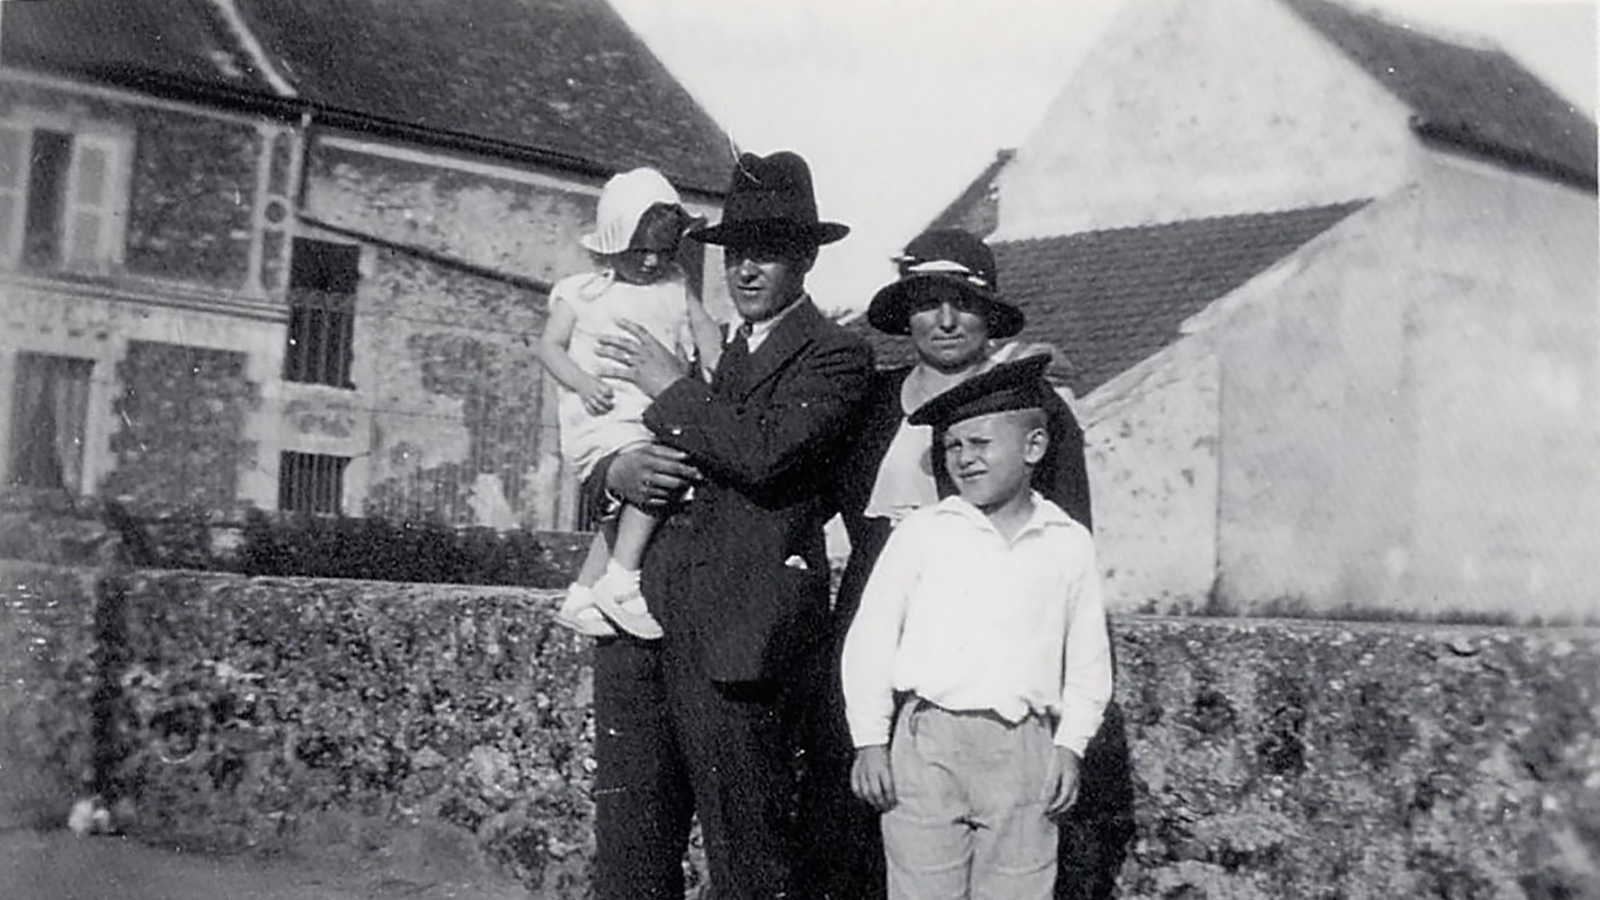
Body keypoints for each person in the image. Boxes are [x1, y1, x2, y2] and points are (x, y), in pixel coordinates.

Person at [581, 150, 873, 900]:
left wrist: (672, 390)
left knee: (749, 867)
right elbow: (605, 441)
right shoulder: (692, 337)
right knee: (630, 868)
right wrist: (612, 474)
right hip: (642, 632)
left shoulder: (836, 356)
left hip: (742, 649)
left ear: (805, 259)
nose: (746, 270)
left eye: (768, 254)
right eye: (736, 252)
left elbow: (768, 454)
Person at [798, 227, 1094, 900]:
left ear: (989, 313)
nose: (947, 319)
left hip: (984, 653)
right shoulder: (870, 402)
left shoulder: (1035, 409)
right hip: (872, 629)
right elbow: (805, 497)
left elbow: (1067, 546)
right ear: (906, 313)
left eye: (963, 302)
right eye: (929, 302)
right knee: (850, 819)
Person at [841, 354, 1114, 900]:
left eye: (981, 444)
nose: (964, 459)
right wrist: (870, 740)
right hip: (927, 747)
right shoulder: (923, 532)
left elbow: (1087, 662)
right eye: (953, 447)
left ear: (1033, 447)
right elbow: (870, 640)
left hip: (1024, 749)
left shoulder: (1066, 542)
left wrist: (1070, 746)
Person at [538, 168, 723, 639]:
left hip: (650, 412)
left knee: (627, 504)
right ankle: (622, 579)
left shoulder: (674, 284)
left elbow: (703, 328)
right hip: (603, 415)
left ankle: (582, 594)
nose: (649, 262)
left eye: (662, 252)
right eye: (638, 251)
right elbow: (549, 347)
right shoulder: (582, 292)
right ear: (610, 244)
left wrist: (717, 369)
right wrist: (581, 381)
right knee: (656, 476)